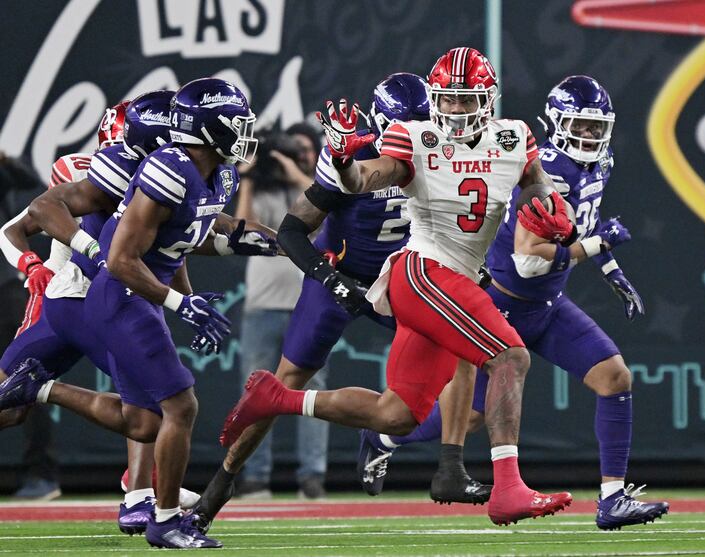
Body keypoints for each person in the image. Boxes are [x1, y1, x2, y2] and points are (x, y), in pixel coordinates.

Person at [220, 48, 576, 526]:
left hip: (452, 277)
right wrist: (346, 158)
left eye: (463, 100)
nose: (453, 110)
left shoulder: (515, 138)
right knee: (510, 357)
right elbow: (366, 177)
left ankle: (279, 398)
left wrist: (559, 219)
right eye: (446, 100)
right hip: (424, 271)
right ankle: (508, 488)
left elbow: (542, 192)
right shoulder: (415, 137)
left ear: (488, 101)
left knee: (395, 416)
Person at [357, 75, 670, 530]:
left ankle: (612, 498)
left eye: (594, 127)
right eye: (578, 126)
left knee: (614, 377)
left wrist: (610, 270)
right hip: (504, 305)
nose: (588, 136)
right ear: (557, 122)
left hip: (549, 305)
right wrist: (599, 248)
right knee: (469, 420)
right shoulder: (545, 170)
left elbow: (582, 225)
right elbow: (528, 261)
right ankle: (384, 437)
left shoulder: (600, 165)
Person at [192, 73, 491, 533]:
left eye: (419, 125)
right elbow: (292, 231)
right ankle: (218, 489)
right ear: (381, 125)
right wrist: (330, 282)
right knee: (284, 382)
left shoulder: (441, 150)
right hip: (341, 277)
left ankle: (447, 465)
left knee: (466, 359)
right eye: (401, 128)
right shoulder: (355, 158)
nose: (411, 138)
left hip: (403, 279)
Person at [0, 78, 274, 549]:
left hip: (120, 292)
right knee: (168, 406)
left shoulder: (201, 173)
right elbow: (37, 217)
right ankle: (150, 504)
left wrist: (287, 245)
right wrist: (46, 261)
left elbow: (184, 241)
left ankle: (138, 493)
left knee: (150, 418)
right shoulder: (123, 167)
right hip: (75, 296)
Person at [0, 92, 200, 531]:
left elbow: (175, 250)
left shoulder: (169, 180)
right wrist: (34, 262)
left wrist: (184, 298)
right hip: (76, 297)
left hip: (107, 299)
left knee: (147, 409)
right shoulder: (95, 172)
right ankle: (140, 492)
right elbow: (22, 222)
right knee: (150, 407)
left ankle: (139, 492)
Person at [234, 124, 330, 499]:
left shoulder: (313, 188)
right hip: (262, 302)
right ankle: (254, 475)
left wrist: (296, 173)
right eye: (294, 152)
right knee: (255, 390)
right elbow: (240, 229)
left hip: (307, 302)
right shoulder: (258, 189)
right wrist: (248, 178)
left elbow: (327, 214)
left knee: (314, 390)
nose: (297, 157)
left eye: (303, 151)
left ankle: (313, 476)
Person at [0, 150, 62, 500]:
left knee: (23, 380)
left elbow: (37, 191)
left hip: (3, 290)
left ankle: (42, 473)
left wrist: (5, 160)